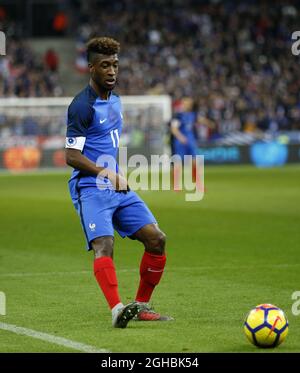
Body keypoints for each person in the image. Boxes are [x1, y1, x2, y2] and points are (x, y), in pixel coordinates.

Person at [65, 37, 172, 328]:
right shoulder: (81, 107)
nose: (112, 71)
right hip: (91, 187)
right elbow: (71, 156)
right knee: (104, 244)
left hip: (117, 186)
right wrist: (105, 173)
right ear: (91, 68)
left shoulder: (116, 100)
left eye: (115, 64)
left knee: (156, 239)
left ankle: (140, 306)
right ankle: (116, 309)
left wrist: (115, 175)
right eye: (104, 65)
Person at [170, 97, 198, 187]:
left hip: (190, 140)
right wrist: (181, 137)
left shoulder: (192, 114)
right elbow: (173, 129)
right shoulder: (178, 115)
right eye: (186, 103)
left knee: (194, 161)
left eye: (189, 103)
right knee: (178, 162)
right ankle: (176, 185)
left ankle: (197, 183)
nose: (188, 105)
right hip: (180, 141)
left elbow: (198, 121)